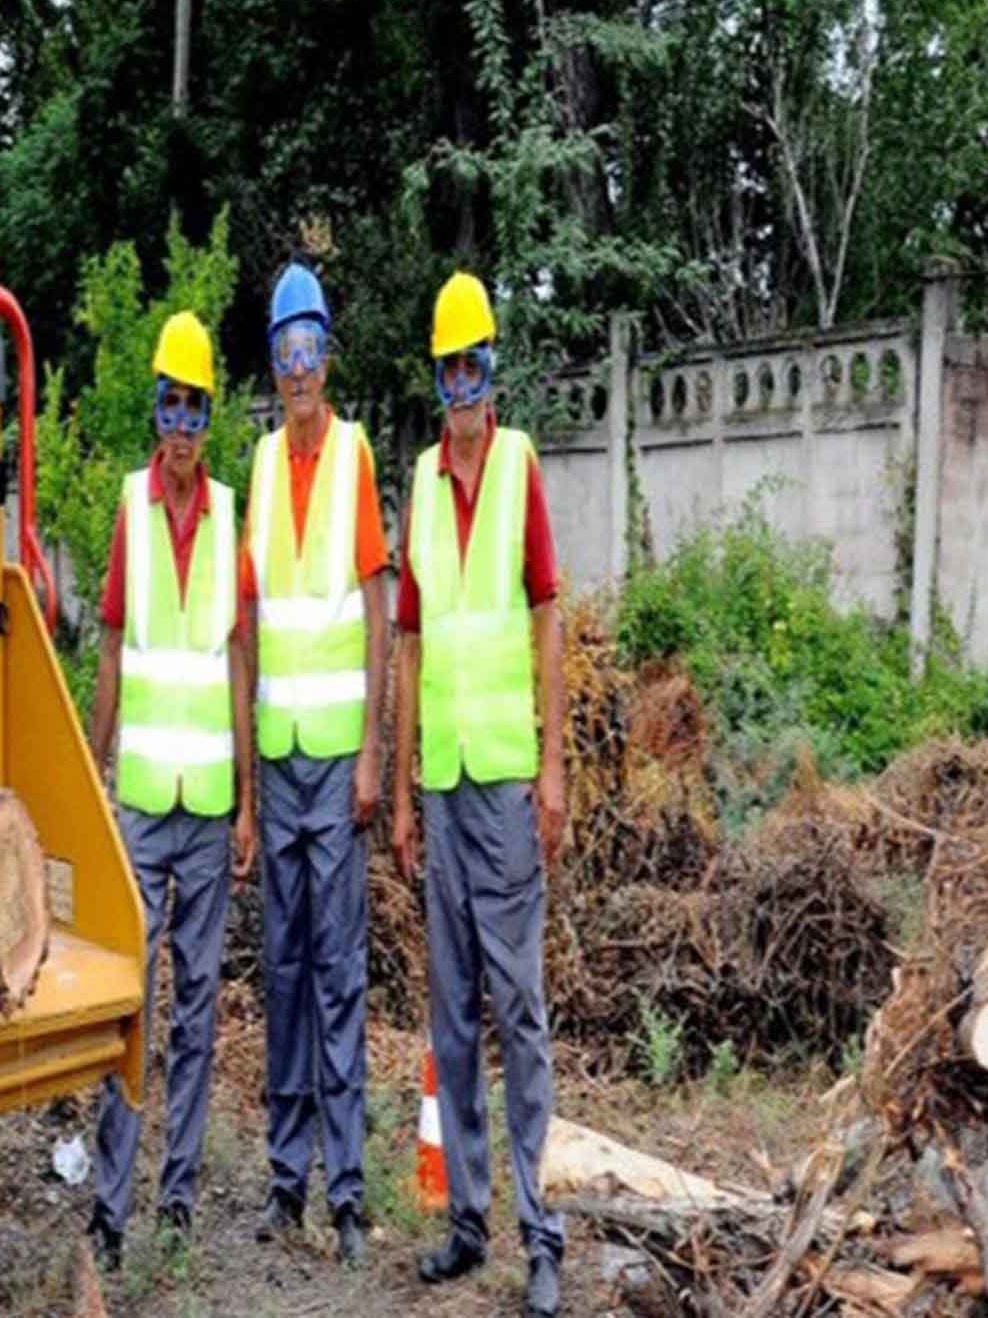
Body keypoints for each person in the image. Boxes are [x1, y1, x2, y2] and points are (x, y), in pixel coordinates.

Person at [392, 270, 567, 1318]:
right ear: (435, 380)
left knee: (519, 1009)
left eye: (474, 366)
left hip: (503, 782)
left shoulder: (517, 468)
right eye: (448, 369)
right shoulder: (418, 481)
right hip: (442, 786)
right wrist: (407, 788)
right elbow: (408, 638)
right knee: (450, 1017)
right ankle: (466, 1219)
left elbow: (546, 612)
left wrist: (551, 764)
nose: (461, 388)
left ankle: (539, 1231)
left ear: (492, 372)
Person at [85, 310, 257, 1271]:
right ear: (154, 411)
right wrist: (95, 771)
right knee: (129, 1003)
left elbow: (238, 661)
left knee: (199, 1008)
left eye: (195, 407)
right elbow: (110, 648)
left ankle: (178, 1195)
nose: (182, 426)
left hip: (207, 807)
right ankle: (111, 1204)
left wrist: (245, 803)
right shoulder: (129, 510)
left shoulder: (229, 514)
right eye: (169, 405)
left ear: (209, 414)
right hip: (145, 804)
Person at [242, 263, 391, 1265]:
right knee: (284, 974)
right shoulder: (256, 465)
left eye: (310, 348)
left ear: (327, 357)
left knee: (337, 973)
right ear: (273, 363)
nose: (297, 369)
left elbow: (378, 607)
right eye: (282, 351)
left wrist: (376, 748)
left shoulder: (352, 456)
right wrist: (249, 783)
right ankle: (285, 1180)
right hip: (276, 763)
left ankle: (344, 1187)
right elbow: (249, 623)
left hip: (337, 765)